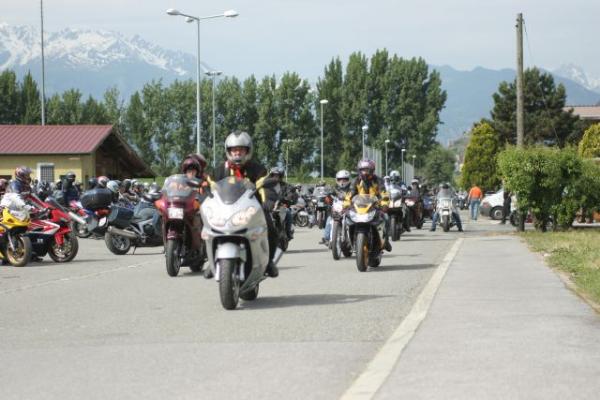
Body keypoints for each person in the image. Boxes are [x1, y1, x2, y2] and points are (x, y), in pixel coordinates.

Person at [212, 130, 279, 278]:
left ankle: (269, 262)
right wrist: (202, 199)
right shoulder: (219, 171)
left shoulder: (257, 169)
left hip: (251, 209)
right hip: (225, 210)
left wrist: (268, 200)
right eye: (234, 150)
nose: (237, 153)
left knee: (270, 228)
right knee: (208, 229)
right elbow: (209, 187)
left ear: (247, 151)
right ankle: (211, 260)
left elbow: (264, 185)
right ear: (228, 151)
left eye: (241, 150)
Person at [344, 159, 392, 252]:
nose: (364, 172)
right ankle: (348, 240)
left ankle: (386, 240)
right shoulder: (356, 181)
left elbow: (384, 194)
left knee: (386, 217)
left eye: (367, 170)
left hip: (375, 206)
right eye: (362, 170)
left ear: (372, 170)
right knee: (347, 218)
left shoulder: (378, 180)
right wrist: (346, 205)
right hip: (359, 206)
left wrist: (384, 205)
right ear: (359, 170)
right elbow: (350, 194)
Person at [321, 169, 352, 245]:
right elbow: (328, 193)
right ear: (337, 180)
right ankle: (327, 238)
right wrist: (327, 193)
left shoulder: (352, 187)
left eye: (345, 179)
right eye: (340, 179)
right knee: (330, 218)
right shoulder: (334, 187)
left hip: (350, 207)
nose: (342, 181)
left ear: (348, 179)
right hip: (338, 206)